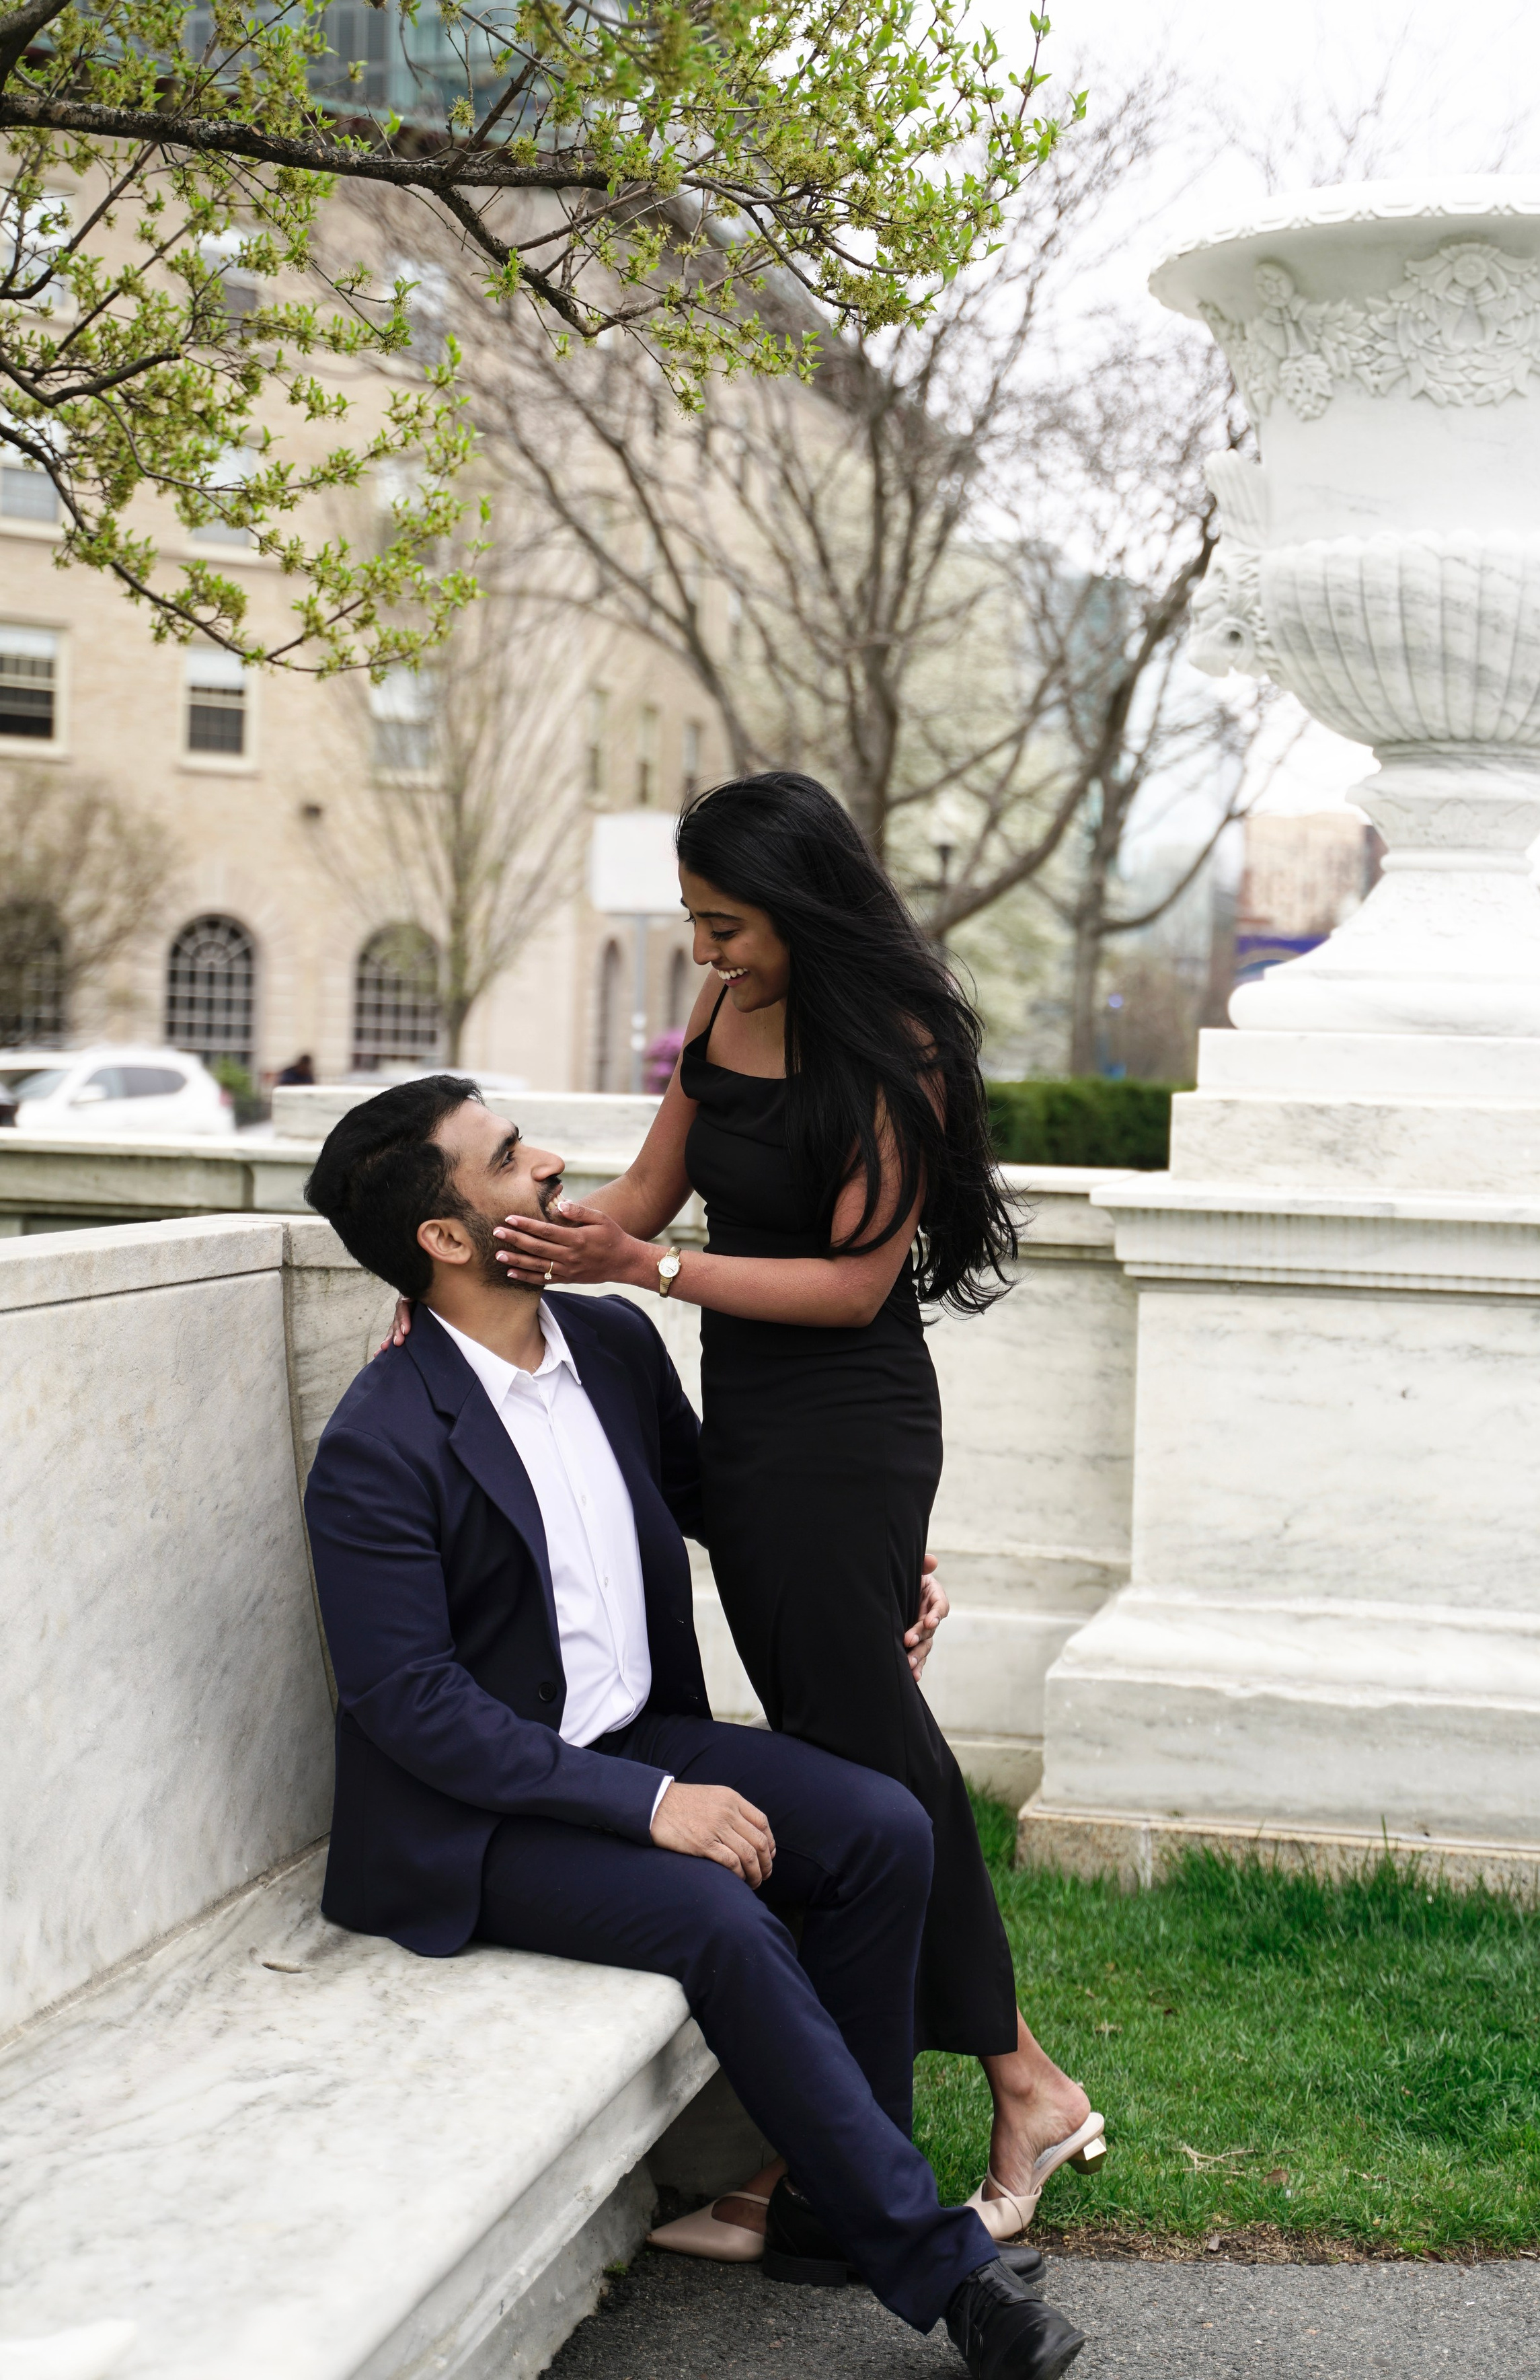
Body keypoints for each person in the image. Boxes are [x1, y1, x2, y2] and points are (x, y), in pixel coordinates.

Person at [301, 1076, 1085, 2380]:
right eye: (508, 1158)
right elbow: (410, 1703)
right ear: (443, 1236)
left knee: (883, 1828)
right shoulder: (380, 1442)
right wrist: (650, 1806)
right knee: (718, 1912)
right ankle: (941, 2269)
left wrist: (885, 1564)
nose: (551, 1165)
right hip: (478, 1821)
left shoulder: (607, 1343)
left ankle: (837, 2204)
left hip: (637, 1730)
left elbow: (727, 1497)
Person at [473, 772, 1104, 2252]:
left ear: (799, 903)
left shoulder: (894, 1049)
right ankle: (877, 2126)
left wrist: (652, 1273)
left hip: (847, 1420)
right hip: (751, 1423)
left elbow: (852, 1286)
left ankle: (990, 2092)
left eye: (726, 925)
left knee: (865, 1761)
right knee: (854, 1758)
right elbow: (635, 1194)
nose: (707, 953)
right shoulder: (720, 1025)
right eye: (694, 925)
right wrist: (465, 1275)